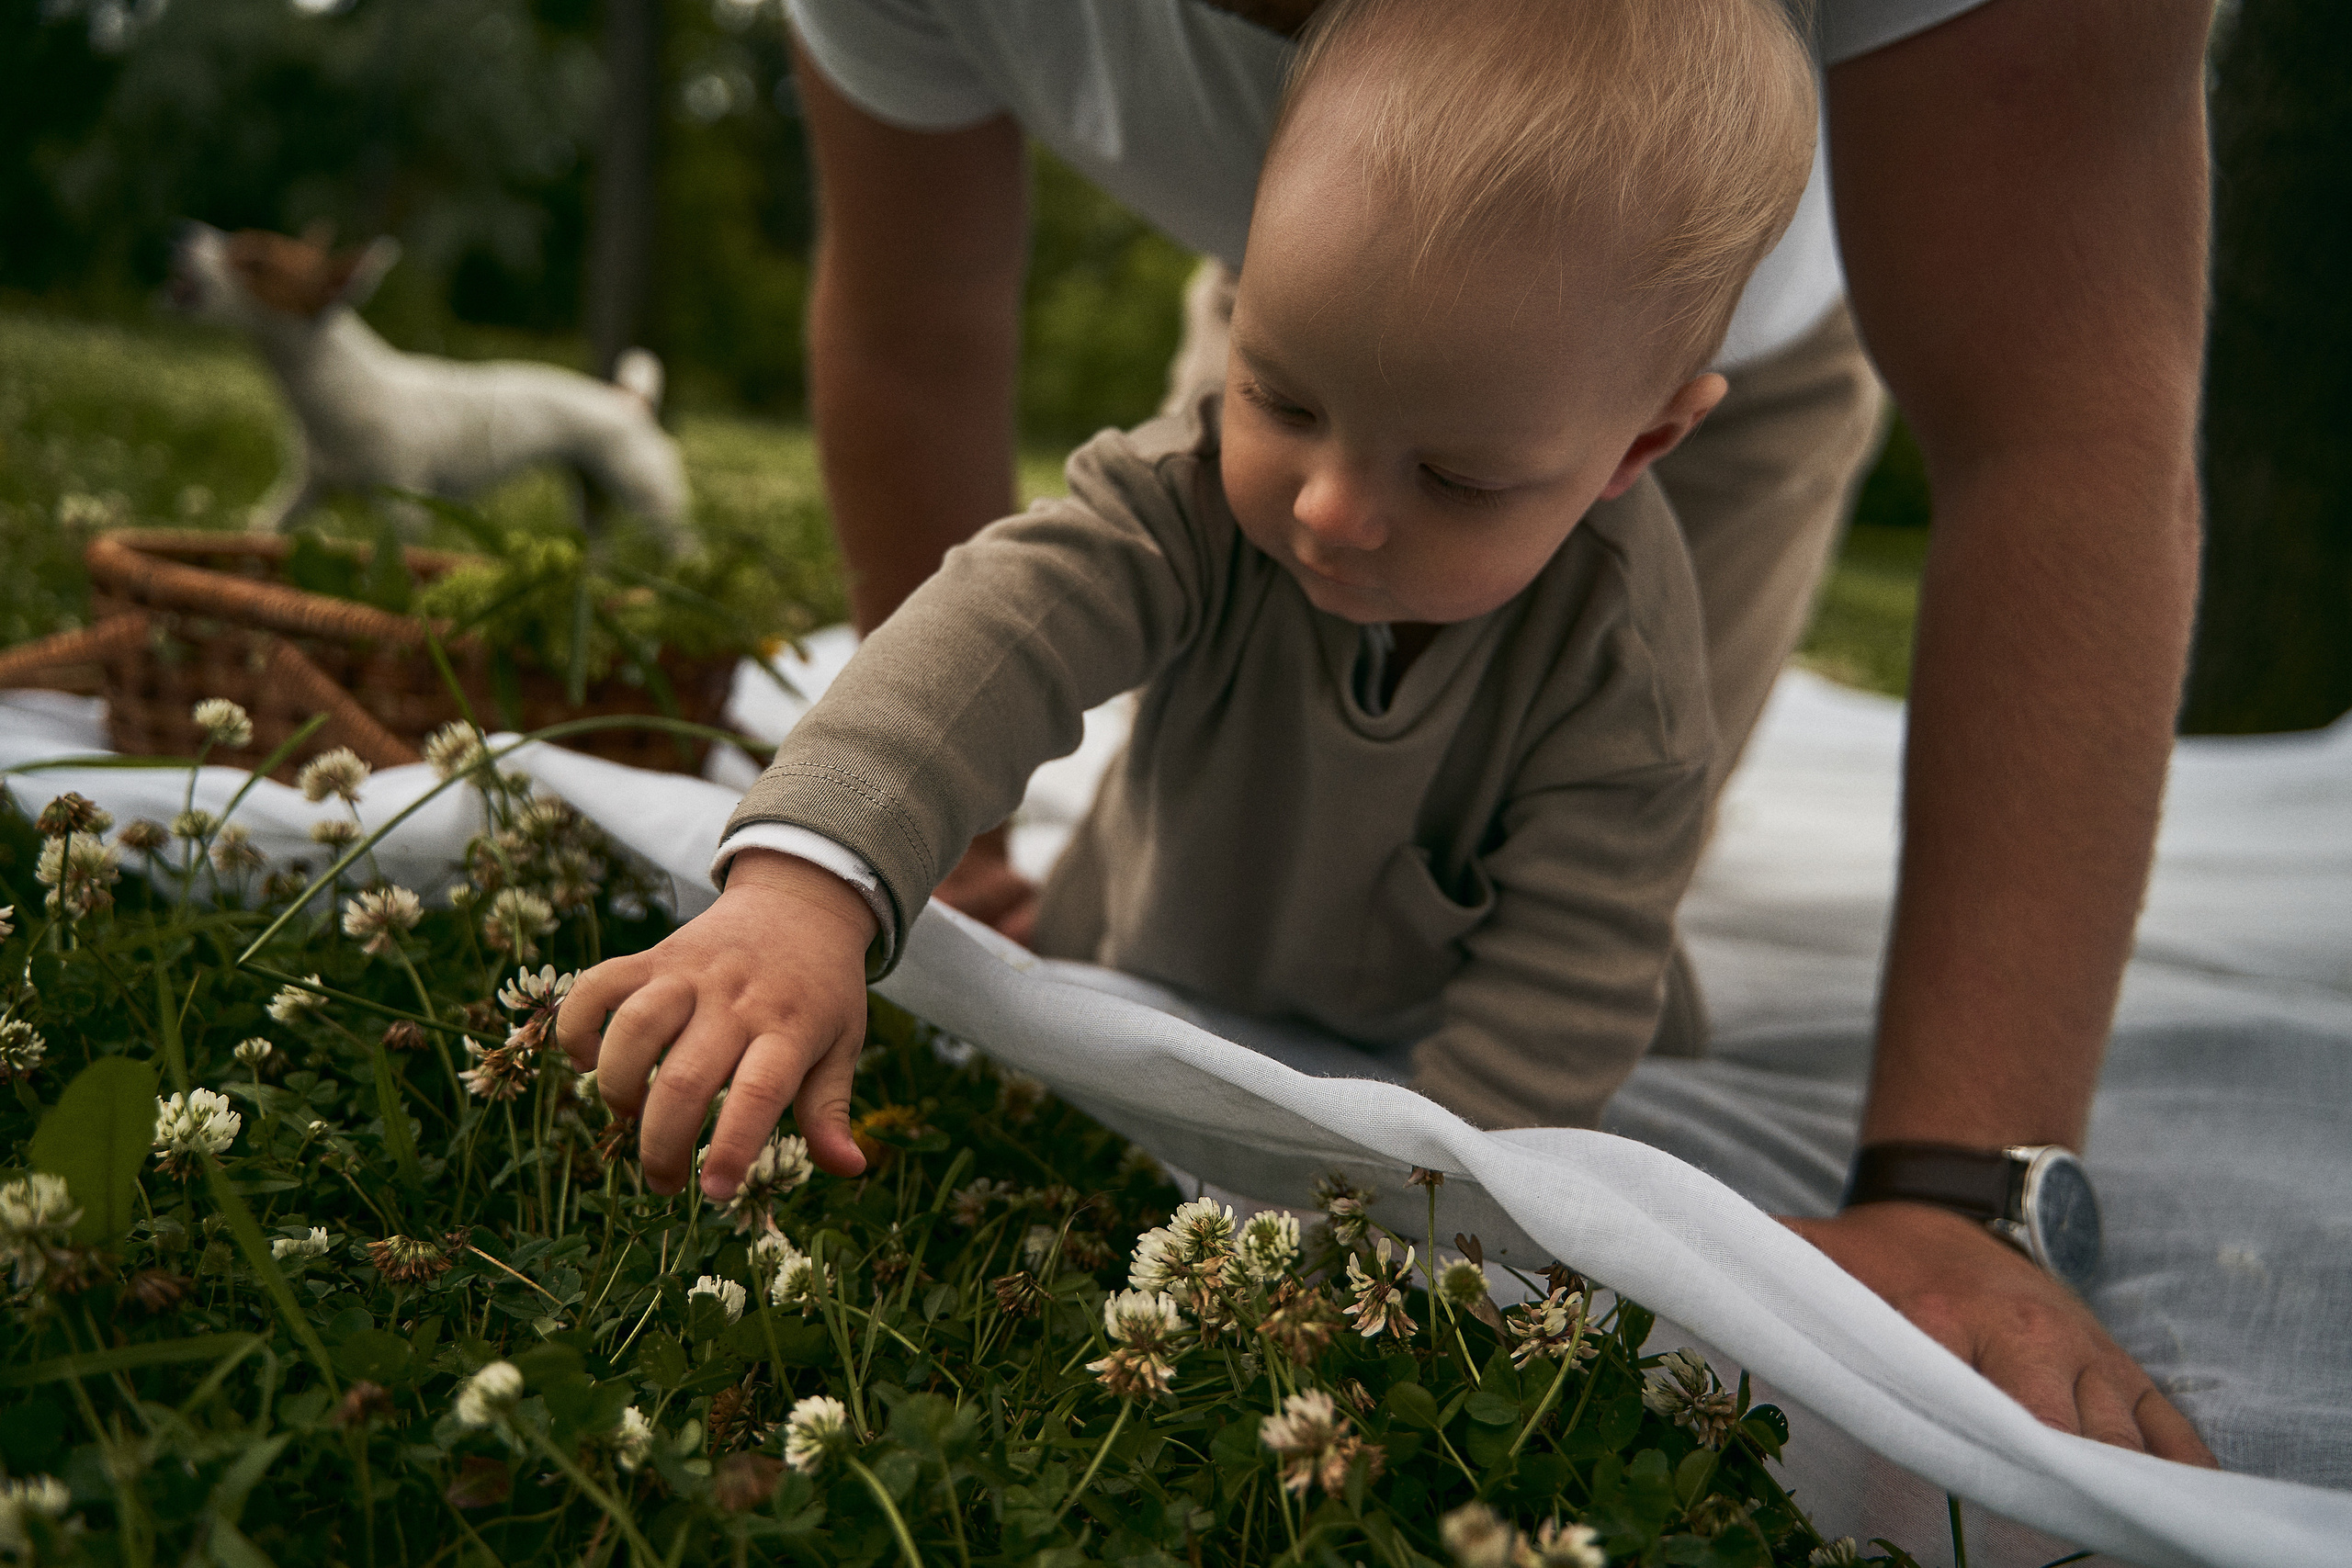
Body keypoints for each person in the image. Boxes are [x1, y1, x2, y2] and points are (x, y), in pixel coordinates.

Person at [564, 0, 2218, 1464]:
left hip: (1608, 352)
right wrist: (821, 882)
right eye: (1278, 400)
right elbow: (992, 627)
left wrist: (1425, 1223)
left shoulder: (1633, 673)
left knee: (1498, 816)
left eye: (1453, 479)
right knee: (1233, 726)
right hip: (1396, 324)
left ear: (1640, 453)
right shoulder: (1218, 473)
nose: (1340, 513)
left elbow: (1571, 970)